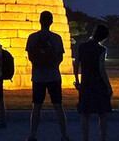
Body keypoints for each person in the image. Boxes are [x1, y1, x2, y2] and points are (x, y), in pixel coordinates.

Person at [25, 11, 69, 141]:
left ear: (40, 21)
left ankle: (33, 136)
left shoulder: (32, 37)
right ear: (51, 21)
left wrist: (40, 64)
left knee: (37, 107)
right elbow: (60, 58)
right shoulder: (56, 38)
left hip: (38, 77)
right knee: (58, 106)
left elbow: (31, 57)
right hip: (54, 76)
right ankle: (64, 135)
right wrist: (52, 64)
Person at [74, 24, 112, 141]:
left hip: (86, 84)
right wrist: (108, 86)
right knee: (103, 113)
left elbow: (76, 65)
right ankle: (103, 138)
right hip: (99, 84)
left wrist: (77, 81)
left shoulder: (82, 46)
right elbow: (101, 69)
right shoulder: (101, 50)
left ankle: (86, 138)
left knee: (85, 114)